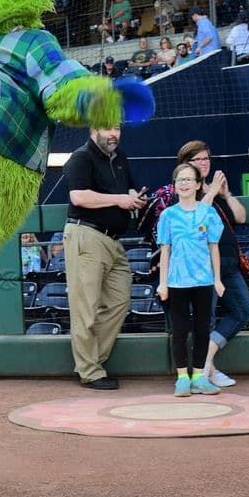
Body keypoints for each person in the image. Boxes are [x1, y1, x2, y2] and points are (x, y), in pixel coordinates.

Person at [140, 141, 249, 388]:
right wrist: (210, 194)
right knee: (201, 321)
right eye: (197, 160)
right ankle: (199, 373)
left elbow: (241, 217)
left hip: (226, 263)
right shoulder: (176, 194)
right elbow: (183, 227)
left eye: (206, 159)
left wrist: (225, 193)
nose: (204, 163)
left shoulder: (213, 189)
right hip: (194, 269)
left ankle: (207, 363)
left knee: (243, 311)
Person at [63, 124, 147, 390]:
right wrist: (119, 200)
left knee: (119, 302)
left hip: (113, 241)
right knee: (85, 308)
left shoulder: (119, 157)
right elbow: (78, 196)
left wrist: (134, 198)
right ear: (94, 129)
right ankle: (90, 371)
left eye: (118, 128)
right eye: (107, 128)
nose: (114, 134)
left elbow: (129, 190)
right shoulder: (81, 157)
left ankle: (90, 361)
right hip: (86, 235)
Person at [155, 162, 225, 397]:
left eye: (188, 179)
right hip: (177, 283)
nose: (184, 183)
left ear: (198, 184)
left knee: (203, 329)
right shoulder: (168, 215)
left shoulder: (209, 213)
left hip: (204, 281)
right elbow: (165, 250)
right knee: (180, 329)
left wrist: (217, 280)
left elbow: (214, 247)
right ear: (174, 186)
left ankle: (199, 377)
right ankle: (182, 377)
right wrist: (163, 283)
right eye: (179, 180)